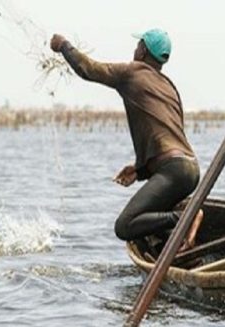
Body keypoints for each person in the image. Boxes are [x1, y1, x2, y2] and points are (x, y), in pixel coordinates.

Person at [49, 28, 203, 251]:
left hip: (174, 171)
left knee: (124, 226)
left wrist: (64, 45)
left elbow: (88, 69)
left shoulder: (132, 73)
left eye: (138, 44)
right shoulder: (168, 86)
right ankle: (179, 242)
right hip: (190, 169)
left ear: (143, 51)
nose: (135, 49)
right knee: (147, 224)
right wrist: (140, 171)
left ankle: (184, 218)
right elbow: (167, 137)